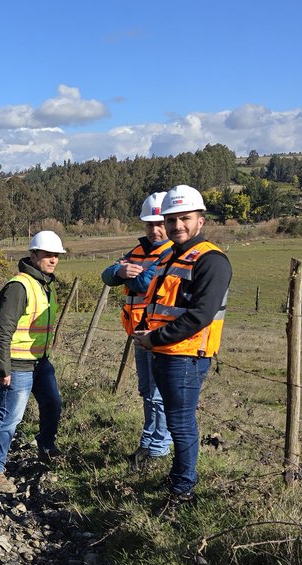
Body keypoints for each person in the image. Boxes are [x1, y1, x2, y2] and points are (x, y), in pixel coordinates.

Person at [131, 185, 232, 511]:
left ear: (200, 220)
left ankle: (183, 491)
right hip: (163, 352)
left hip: (186, 356)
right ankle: (179, 476)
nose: (177, 226)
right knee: (175, 420)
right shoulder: (170, 256)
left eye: (185, 219)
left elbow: (200, 316)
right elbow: (156, 300)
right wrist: (147, 330)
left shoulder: (211, 260)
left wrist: (154, 339)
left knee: (181, 422)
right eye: (172, 219)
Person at [0, 230, 65, 494]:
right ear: (33, 254)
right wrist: (3, 369)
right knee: (10, 418)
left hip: (40, 363)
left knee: (53, 405)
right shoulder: (20, 286)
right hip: (18, 364)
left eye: (56, 255)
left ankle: (46, 447)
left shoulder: (45, 285)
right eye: (48, 254)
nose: (53, 260)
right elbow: (2, 331)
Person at [102, 192, 174, 471]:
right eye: (149, 224)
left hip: (158, 334)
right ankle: (149, 440)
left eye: (159, 223)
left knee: (157, 394)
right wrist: (120, 271)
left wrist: (124, 272)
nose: (155, 230)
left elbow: (144, 283)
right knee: (146, 391)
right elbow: (107, 275)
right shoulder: (137, 251)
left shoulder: (170, 253)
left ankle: (158, 447)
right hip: (137, 333)